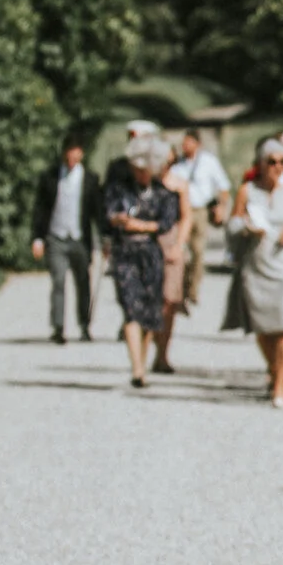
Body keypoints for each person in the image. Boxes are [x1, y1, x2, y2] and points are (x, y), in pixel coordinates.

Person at [224, 139, 283, 407]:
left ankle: (280, 386)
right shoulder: (247, 191)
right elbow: (233, 223)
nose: (277, 167)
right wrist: (246, 228)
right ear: (261, 164)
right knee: (263, 326)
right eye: (271, 161)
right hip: (257, 261)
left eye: (282, 162)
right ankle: (276, 369)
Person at [102, 133, 180, 390]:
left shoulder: (164, 194)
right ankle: (137, 367)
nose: (141, 173)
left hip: (151, 254)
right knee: (130, 307)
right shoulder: (118, 189)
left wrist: (139, 225)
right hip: (125, 253)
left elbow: (166, 223)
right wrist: (123, 223)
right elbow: (110, 216)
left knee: (149, 310)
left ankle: (142, 363)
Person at [28, 130, 100, 345]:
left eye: (76, 152)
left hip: (79, 237)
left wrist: (106, 238)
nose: (72, 157)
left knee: (83, 282)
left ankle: (84, 325)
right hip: (56, 236)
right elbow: (40, 209)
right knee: (58, 281)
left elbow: (97, 210)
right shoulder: (49, 177)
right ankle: (58, 326)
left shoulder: (90, 179)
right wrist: (37, 238)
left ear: (82, 154)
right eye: (69, 152)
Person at [175, 127, 232, 314]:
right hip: (181, 210)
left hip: (199, 210)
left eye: (188, 142)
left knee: (198, 251)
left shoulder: (208, 162)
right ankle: (180, 290)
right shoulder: (178, 164)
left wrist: (221, 207)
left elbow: (223, 186)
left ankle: (193, 289)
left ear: (197, 144)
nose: (185, 146)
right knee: (181, 251)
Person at [153, 137, 197, 375]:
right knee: (152, 299)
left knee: (170, 299)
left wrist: (179, 245)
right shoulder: (148, 183)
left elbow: (186, 216)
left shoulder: (179, 185)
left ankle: (162, 353)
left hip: (171, 240)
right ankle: (148, 347)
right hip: (149, 242)